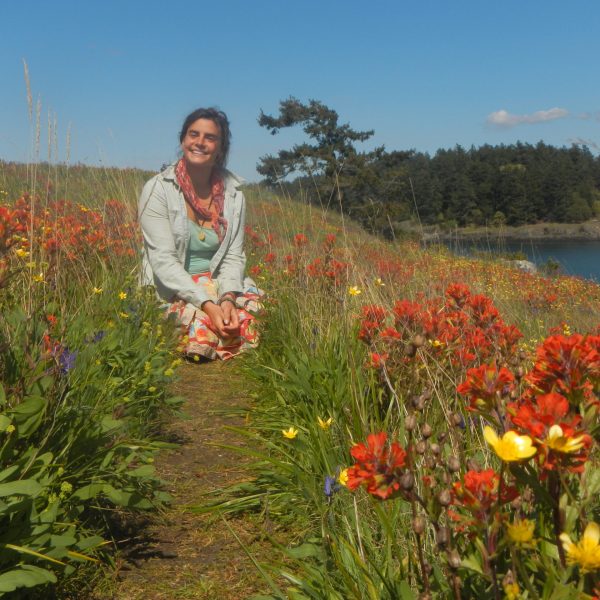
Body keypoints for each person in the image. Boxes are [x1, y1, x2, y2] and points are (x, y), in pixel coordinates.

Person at [139, 107, 261, 360]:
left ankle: (212, 333)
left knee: (254, 312)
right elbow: (163, 261)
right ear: (183, 139)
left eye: (210, 137)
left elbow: (233, 257)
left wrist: (226, 299)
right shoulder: (157, 189)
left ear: (220, 147)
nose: (200, 143)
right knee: (202, 316)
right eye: (194, 134)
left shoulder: (234, 194)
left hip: (217, 283)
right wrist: (207, 303)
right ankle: (208, 333)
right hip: (172, 286)